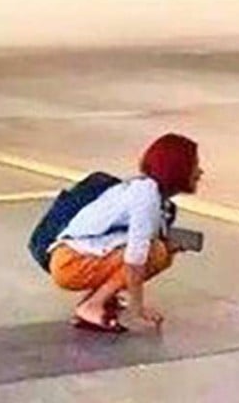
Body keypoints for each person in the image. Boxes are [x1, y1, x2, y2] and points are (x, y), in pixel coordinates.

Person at [49, 133, 203, 332]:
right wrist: (137, 309)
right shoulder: (146, 196)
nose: (199, 172)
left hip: (73, 256)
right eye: (194, 166)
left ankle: (99, 300)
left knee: (161, 250)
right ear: (178, 169)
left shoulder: (147, 192)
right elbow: (136, 257)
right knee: (155, 253)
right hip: (70, 263)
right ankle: (92, 305)